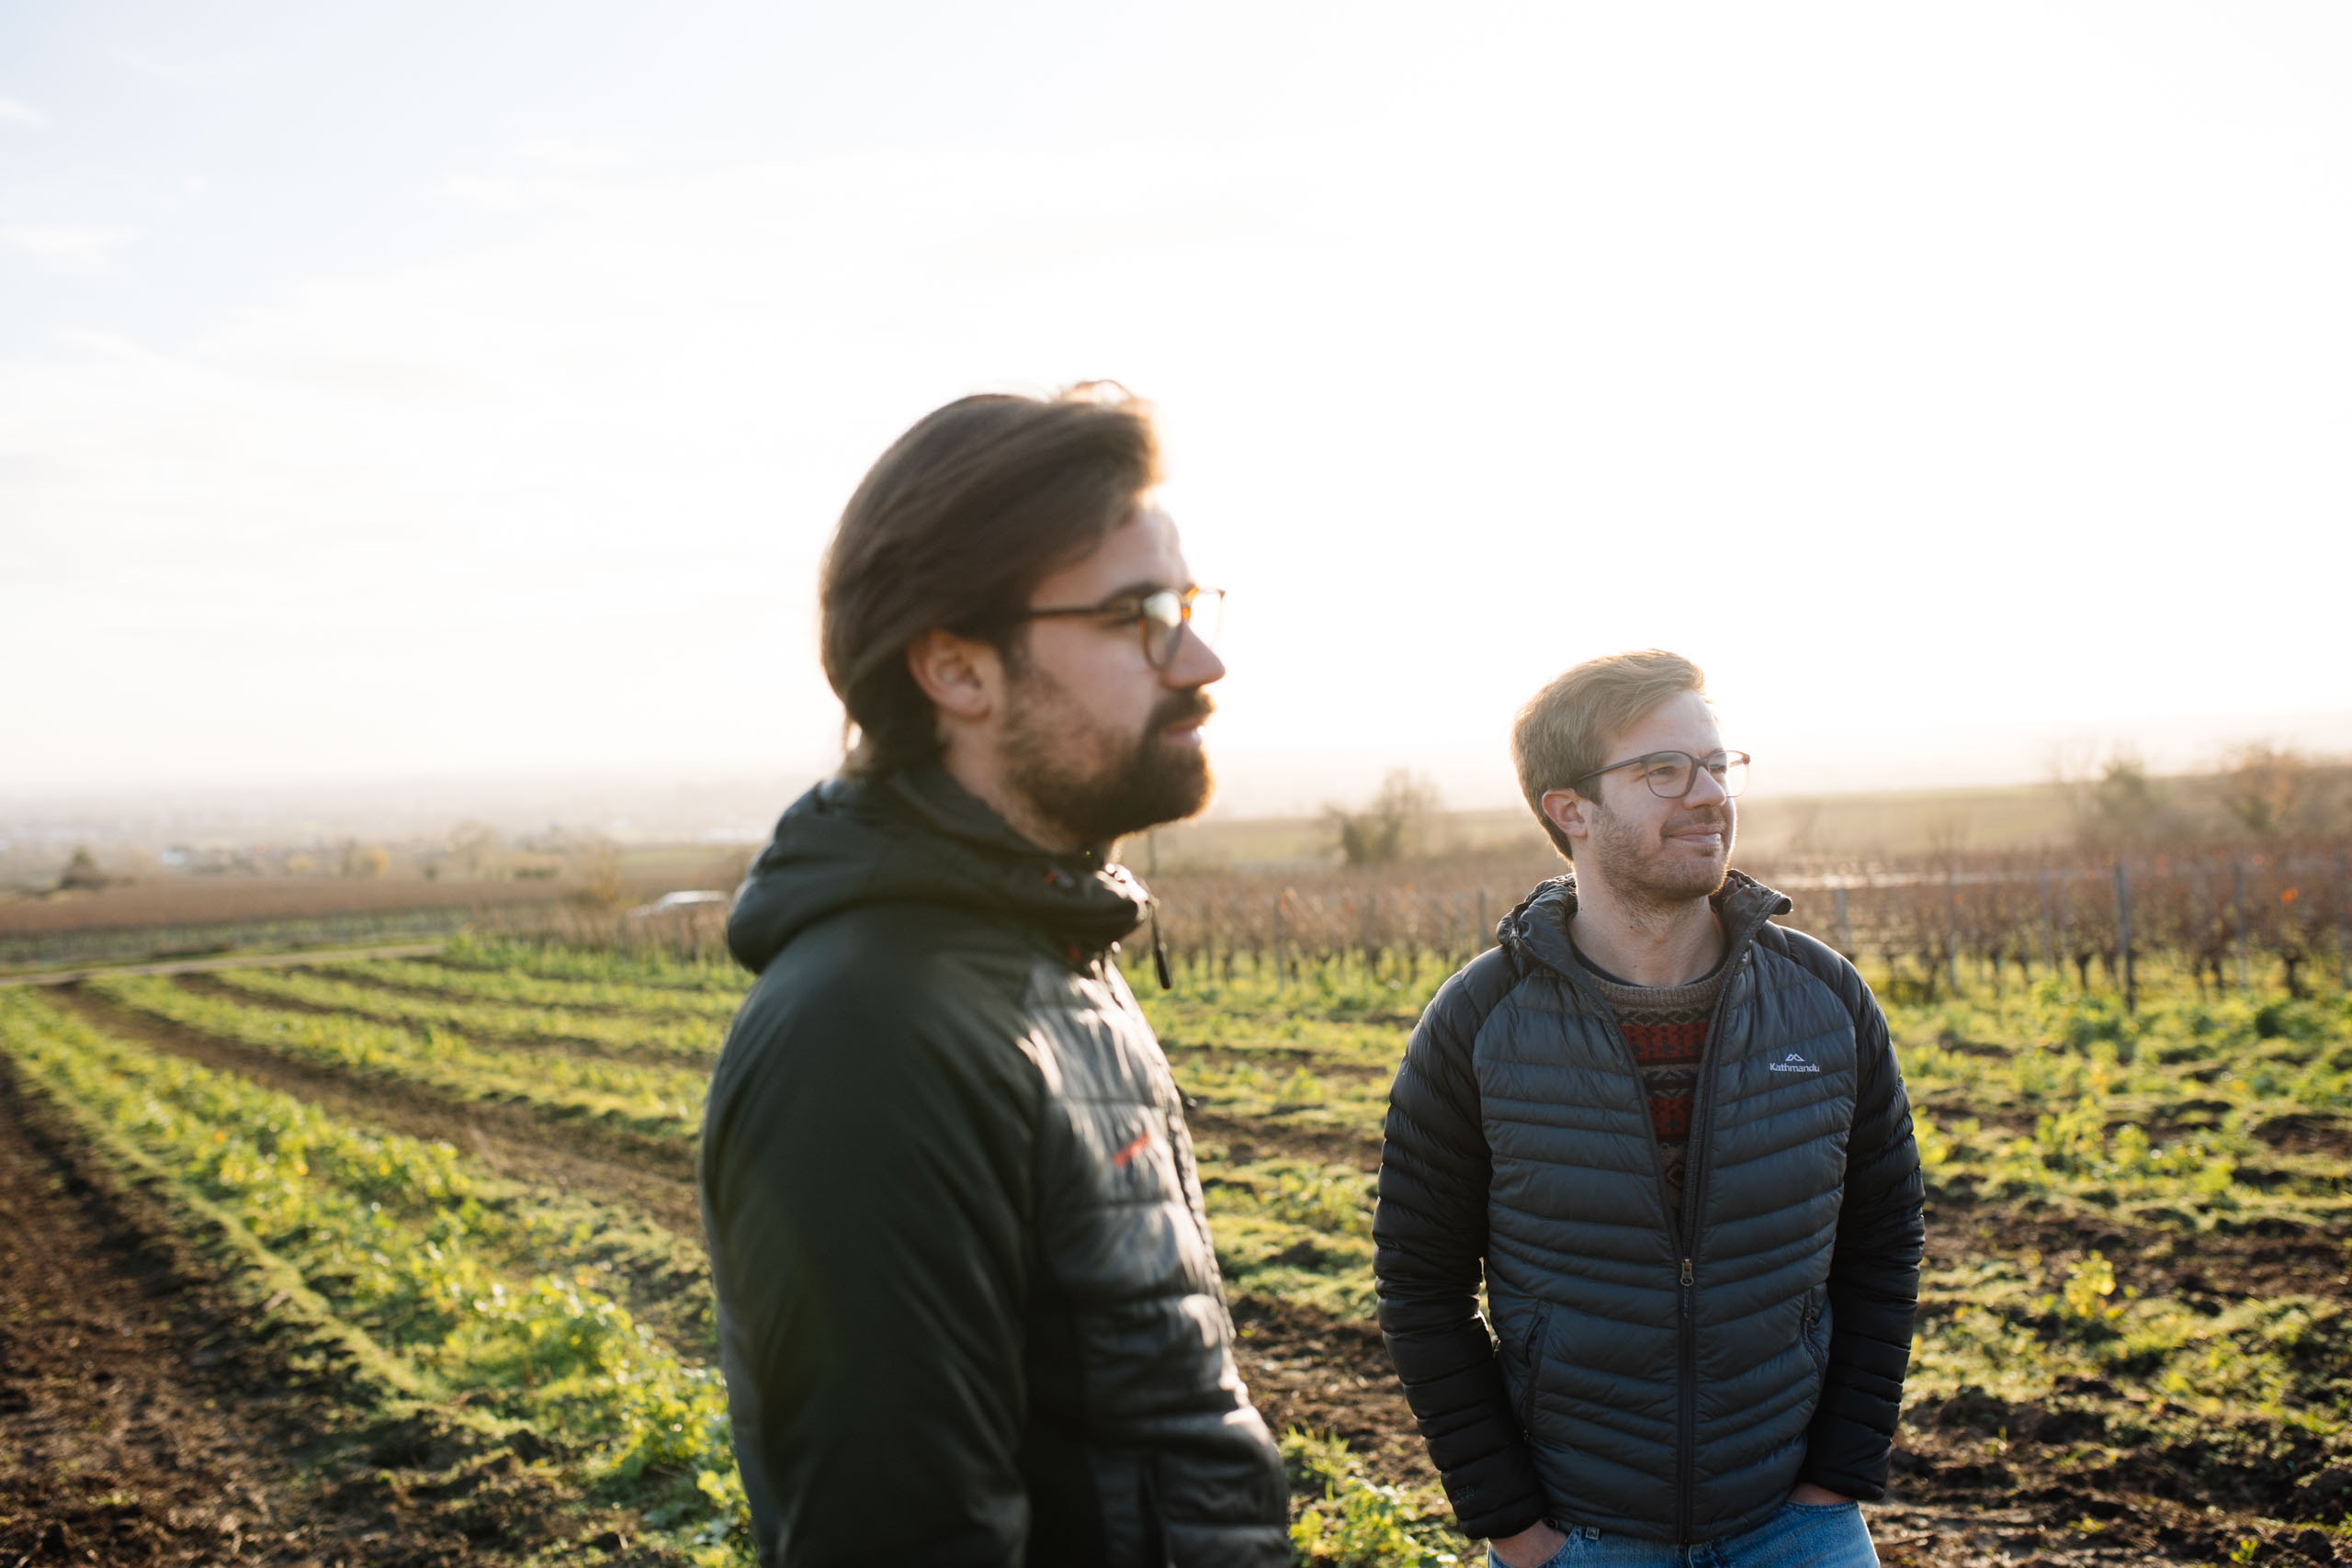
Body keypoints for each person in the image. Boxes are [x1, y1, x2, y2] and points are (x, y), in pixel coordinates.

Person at [699, 385, 1289, 1567]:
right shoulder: (872, 1039)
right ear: (958, 671)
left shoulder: (1046, 955)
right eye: (1136, 616)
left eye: (1185, 602)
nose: (1202, 657)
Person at [1374, 649, 1924, 1568]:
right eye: (1663, 770)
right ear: (1570, 809)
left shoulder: (1825, 1000)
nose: (1708, 794)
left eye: (1716, 765)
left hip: (1796, 1527)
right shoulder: (1478, 1022)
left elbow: (1883, 1242)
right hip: (1581, 1537)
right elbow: (1419, 1287)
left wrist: (1835, 1481)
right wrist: (1515, 1530)